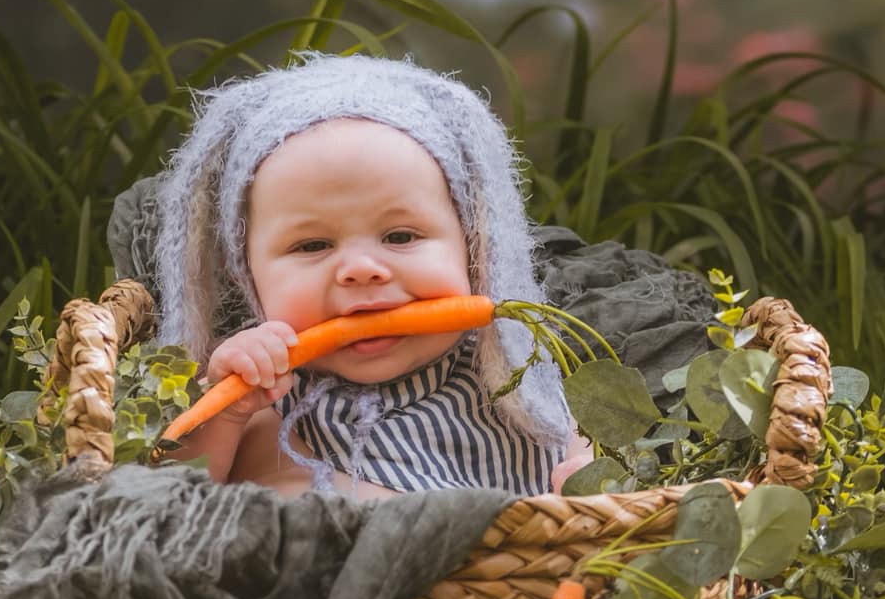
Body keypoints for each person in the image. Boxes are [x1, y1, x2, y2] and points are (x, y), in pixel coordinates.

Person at [150, 53, 595, 496]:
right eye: (312, 246)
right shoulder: (262, 397)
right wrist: (224, 413)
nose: (362, 270)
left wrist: (585, 485)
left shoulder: (520, 386)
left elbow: (590, 486)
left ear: (473, 247)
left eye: (400, 236)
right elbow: (163, 505)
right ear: (245, 274)